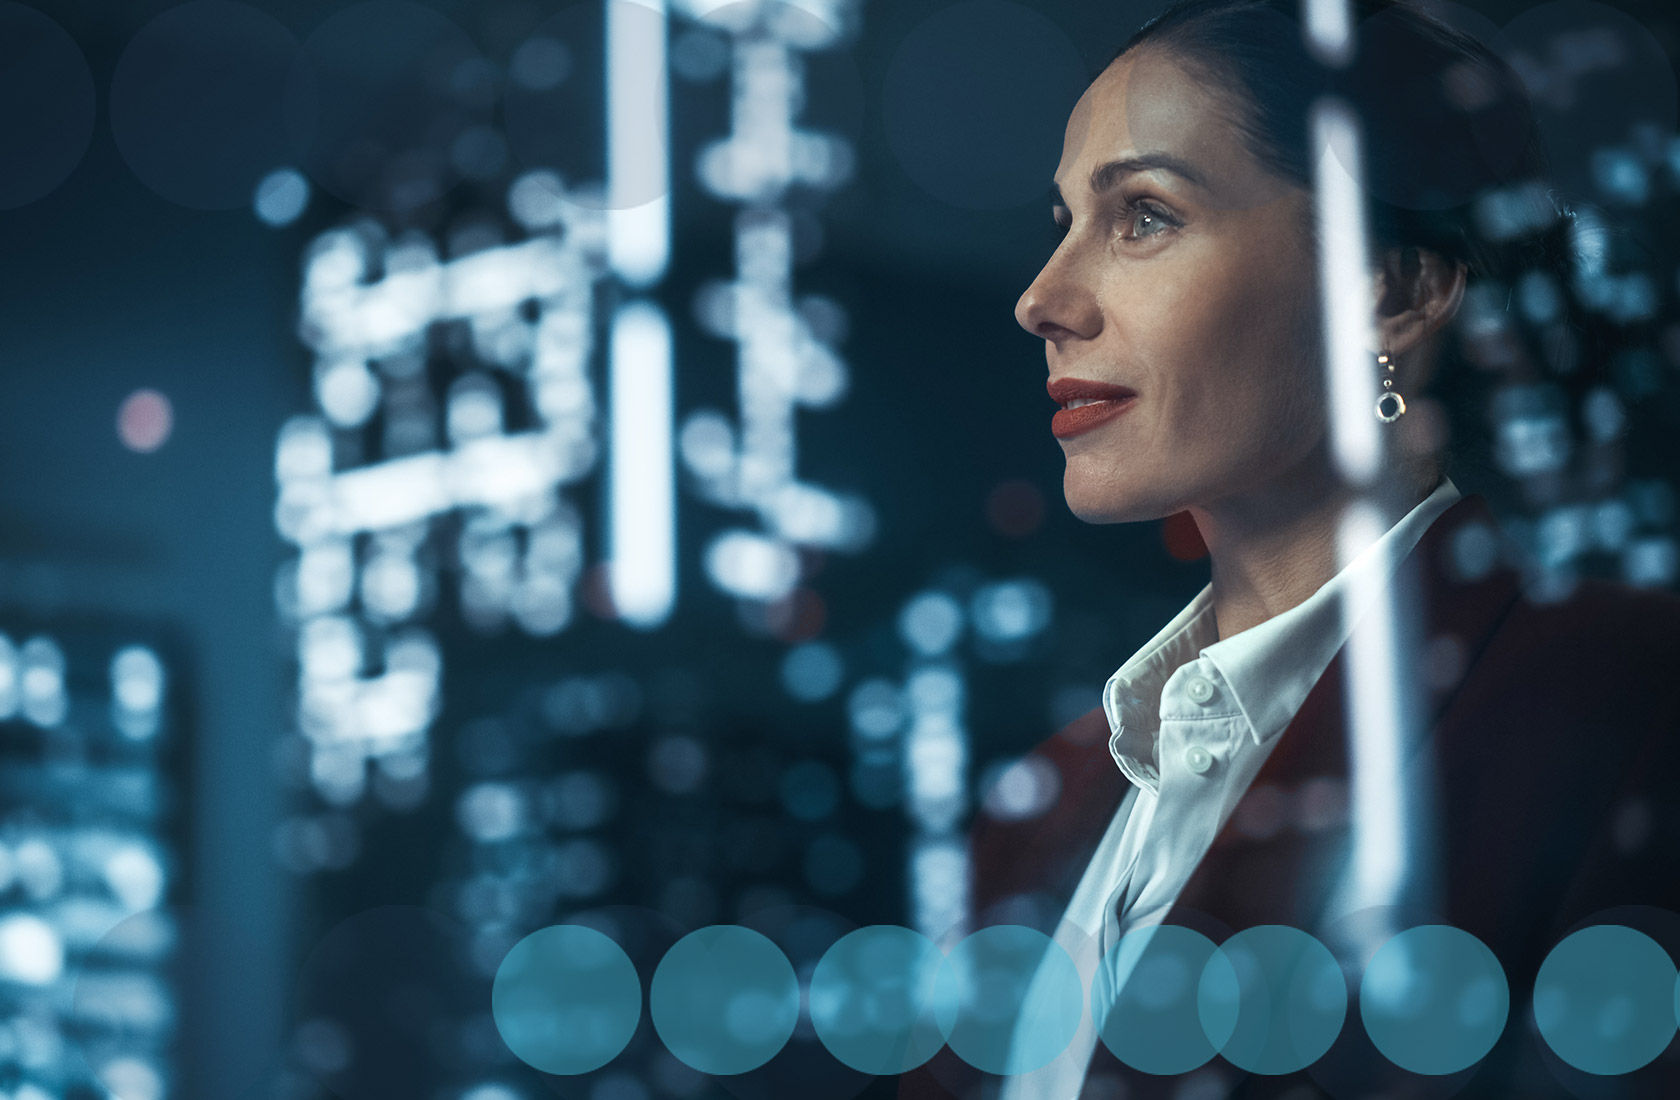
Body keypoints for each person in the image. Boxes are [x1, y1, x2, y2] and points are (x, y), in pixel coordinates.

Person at [896, 0, 1680, 1097]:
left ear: (1395, 287)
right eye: (1065, 218)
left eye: (1146, 217)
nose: (1043, 298)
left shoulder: (1619, 701)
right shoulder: (1047, 801)